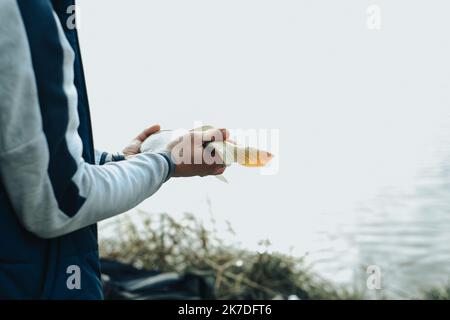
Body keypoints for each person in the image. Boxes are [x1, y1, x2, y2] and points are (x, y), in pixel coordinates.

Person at [0, 0, 227, 299]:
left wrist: (118, 161)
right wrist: (164, 163)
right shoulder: (24, 11)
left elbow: (21, 150)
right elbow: (61, 204)